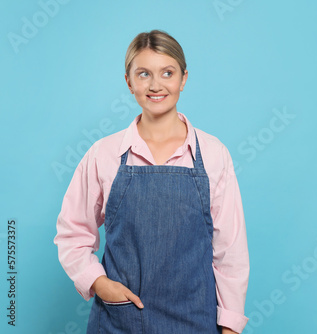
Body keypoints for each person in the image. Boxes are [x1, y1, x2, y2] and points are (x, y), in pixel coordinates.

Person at [53, 29, 250, 334]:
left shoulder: (213, 154)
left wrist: (231, 326)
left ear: (183, 79)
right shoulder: (104, 154)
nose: (156, 85)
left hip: (196, 320)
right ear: (129, 81)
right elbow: (71, 232)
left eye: (167, 73)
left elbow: (230, 250)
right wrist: (99, 283)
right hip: (120, 320)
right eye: (144, 74)